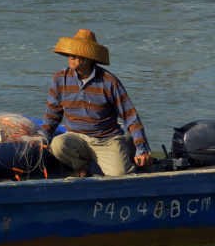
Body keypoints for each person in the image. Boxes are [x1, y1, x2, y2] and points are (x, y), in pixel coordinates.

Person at [39, 29, 151, 177]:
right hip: (77, 139)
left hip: (106, 140)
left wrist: (141, 148)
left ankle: (128, 155)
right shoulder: (60, 78)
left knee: (121, 174)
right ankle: (81, 166)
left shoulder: (109, 81)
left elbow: (130, 116)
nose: (70, 57)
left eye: (76, 54)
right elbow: (53, 114)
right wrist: (42, 136)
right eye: (69, 53)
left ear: (89, 58)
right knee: (58, 144)